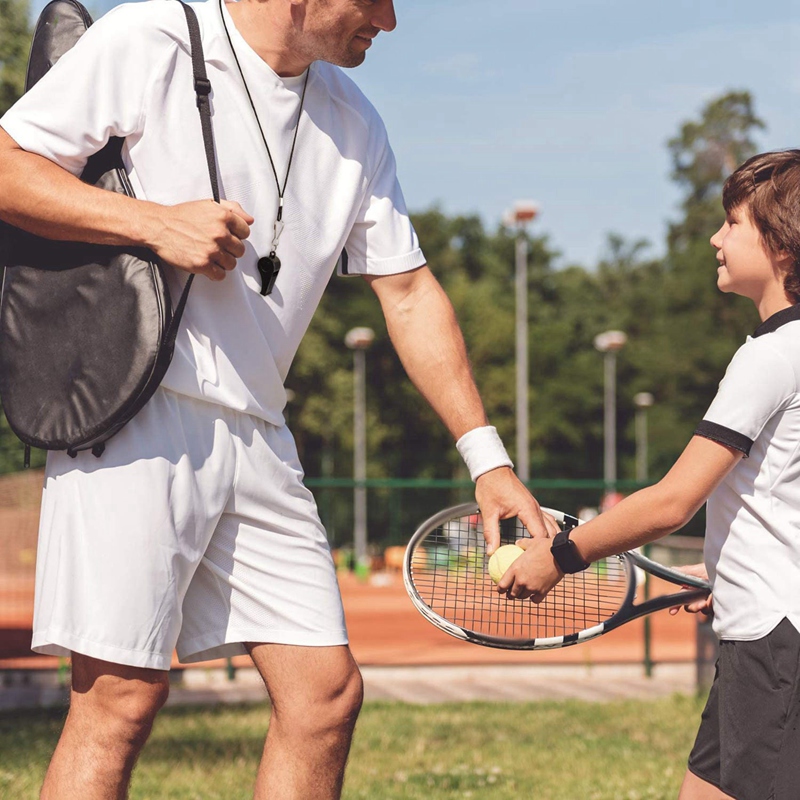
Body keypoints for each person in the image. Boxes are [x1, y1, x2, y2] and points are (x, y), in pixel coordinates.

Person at [0, 1, 551, 797]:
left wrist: (487, 459)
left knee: (324, 697)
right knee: (119, 699)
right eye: (379, 1)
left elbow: (407, 290)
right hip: (136, 409)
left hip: (260, 427)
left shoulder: (354, 119)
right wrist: (152, 223)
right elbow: (11, 166)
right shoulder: (151, 35)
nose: (390, 24)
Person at [498, 149, 800, 800]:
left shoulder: (769, 358)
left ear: (780, 244)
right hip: (768, 633)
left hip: (775, 650)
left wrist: (559, 553)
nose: (716, 238)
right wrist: (723, 575)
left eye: (733, 224)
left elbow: (672, 502)